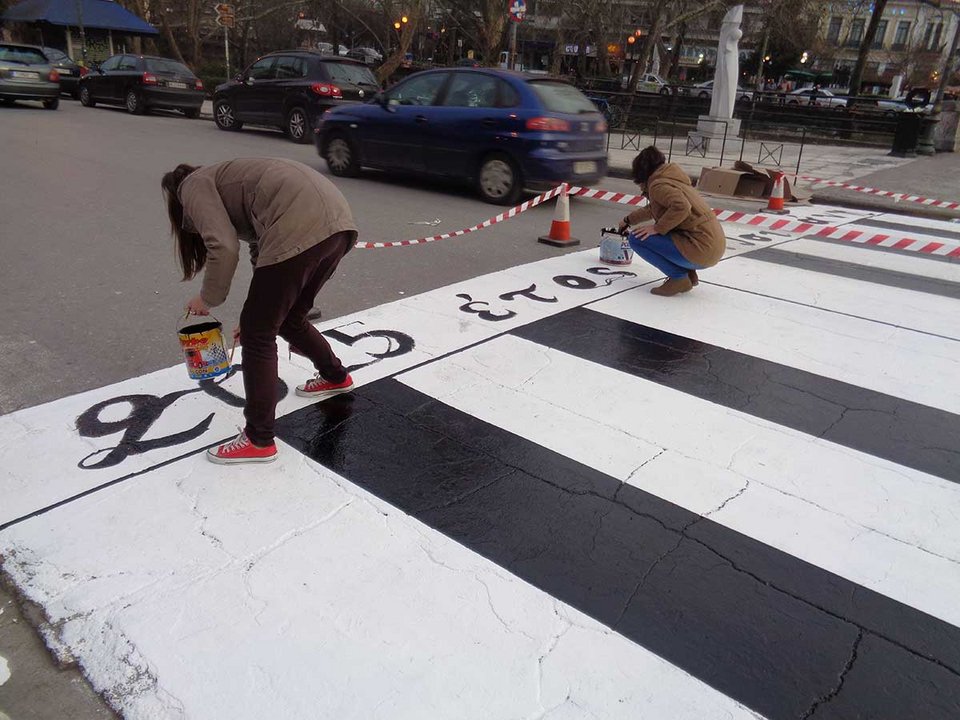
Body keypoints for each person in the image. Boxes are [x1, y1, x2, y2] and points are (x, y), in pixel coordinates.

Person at [162, 157, 358, 465]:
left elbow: (223, 245)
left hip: (301, 225)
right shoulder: (225, 176)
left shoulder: (191, 186)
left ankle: (258, 438)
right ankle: (335, 376)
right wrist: (258, 308)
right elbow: (262, 248)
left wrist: (207, 299)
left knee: (257, 335)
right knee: (288, 318)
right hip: (339, 225)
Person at [617, 146, 725, 296]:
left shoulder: (658, 185)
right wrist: (628, 220)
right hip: (712, 247)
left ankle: (679, 278)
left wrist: (657, 228)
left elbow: (681, 207)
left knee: (637, 239)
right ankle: (687, 275)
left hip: (702, 250)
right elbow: (653, 209)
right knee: (663, 234)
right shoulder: (673, 180)